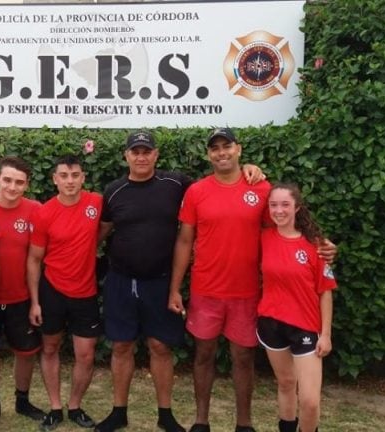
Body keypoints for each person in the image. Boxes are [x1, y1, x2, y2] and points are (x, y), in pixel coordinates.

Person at [95, 131, 265, 432]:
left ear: (156, 155)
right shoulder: (113, 191)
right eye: (135, 151)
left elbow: (223, 179)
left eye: (146, 151)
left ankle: (166, 414)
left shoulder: (178, 184)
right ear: (126, 156)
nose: (141, 156)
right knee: (121, 346)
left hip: (159, 281)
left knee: (160, 347)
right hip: (121, 280)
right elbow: (100, 232)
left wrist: (250, 166)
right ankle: (118, 412)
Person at [168, 128, 336, 432]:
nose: (221, 153)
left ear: (238, 149)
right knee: (203, 355)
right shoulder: (196, 191)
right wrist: (175, 288)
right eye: (215, 148)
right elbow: (184, 240)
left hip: (246, 293)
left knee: (243, 358)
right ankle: (201, 421)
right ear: (208, 154)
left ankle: (243, 424)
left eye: (227, 146)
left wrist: (320, 244)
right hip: (205, 290)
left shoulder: (260, 188)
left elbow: (286, 228)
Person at [27, 154, 102, 431]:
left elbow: (102, 230)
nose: (70, 181)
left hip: (85, 292)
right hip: (52, 291)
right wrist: (35, 302)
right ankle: (56, 407)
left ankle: (75, 405)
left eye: (75, 175)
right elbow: (34, 259)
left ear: (83, 177)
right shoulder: (44, 212)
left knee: (86, 354)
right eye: (64, 176)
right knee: (49, 347)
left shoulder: (96, 203)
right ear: (55, 179)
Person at [257, 183, 336, 432]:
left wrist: (325, 334)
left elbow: (325, 292)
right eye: (273, 205)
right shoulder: (263, 238)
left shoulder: (316, 246)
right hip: (270, 323)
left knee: (310, 401)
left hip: (305, 327)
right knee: (286, 383)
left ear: (297, 207)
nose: (279, 210)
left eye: (285, 204)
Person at [0, 157, 46, 425]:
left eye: (19, 182)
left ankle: (23, 400)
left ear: (26, 185)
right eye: (7, 180)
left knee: (26, 352)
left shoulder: (36, 210)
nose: (12, 187)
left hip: (21, 297)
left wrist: (36, 301)